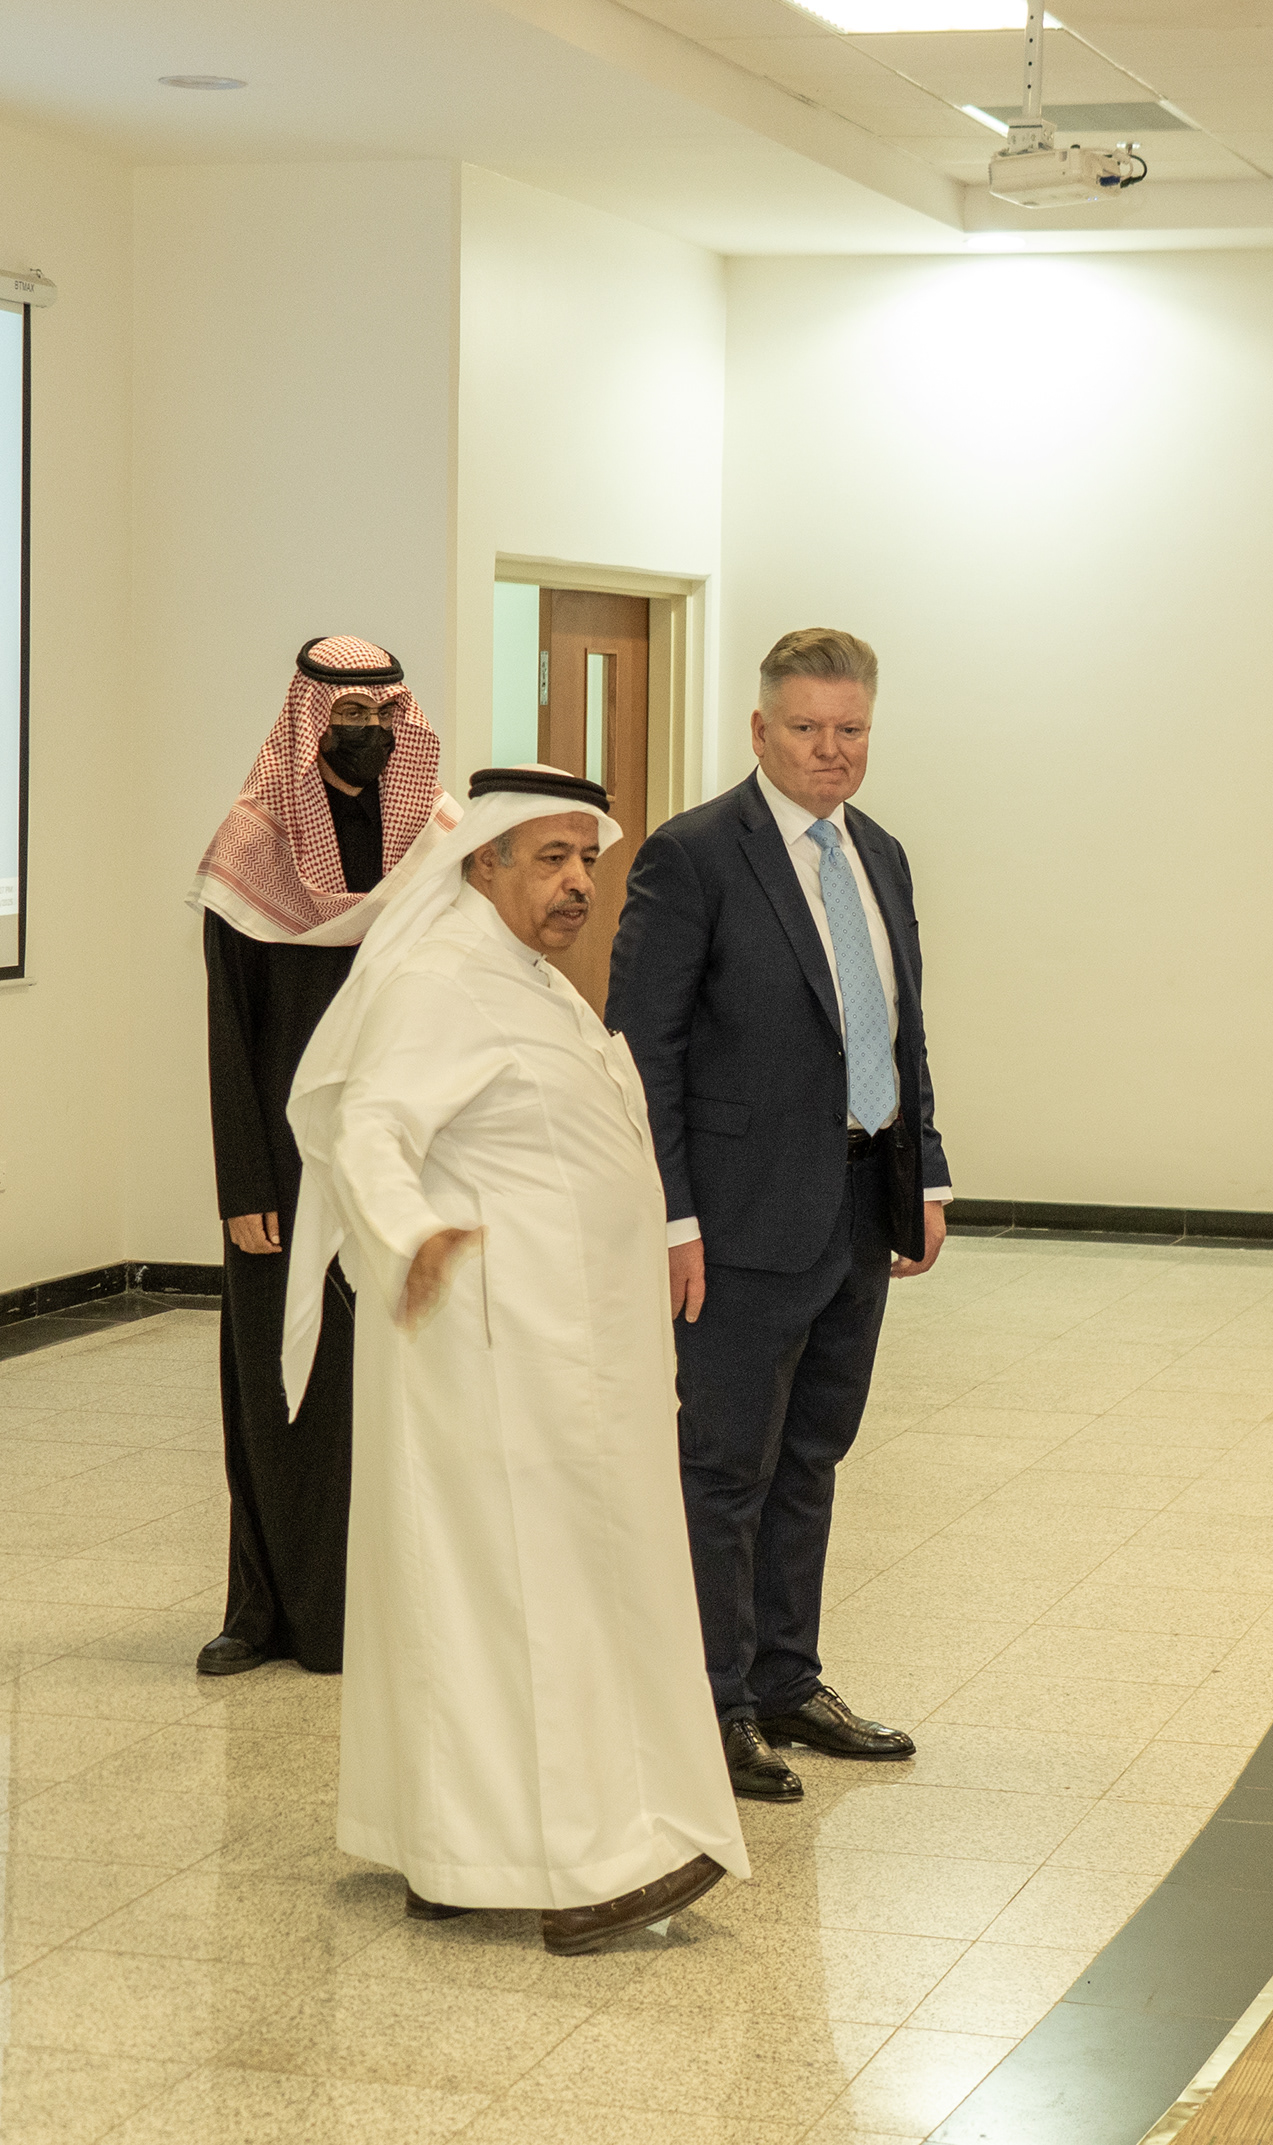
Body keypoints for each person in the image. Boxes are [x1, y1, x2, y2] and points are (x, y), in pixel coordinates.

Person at [282, 766, 748, 1955]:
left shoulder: (527, 981)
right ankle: (584, 1867)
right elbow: (368, 1127)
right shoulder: (442, 984)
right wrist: (410, 1234)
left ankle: (456, 1851)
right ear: (481, 862)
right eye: (550, 858)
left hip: (563, 1351)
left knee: (502, 1595)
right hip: (503, 1350)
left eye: (587, 859)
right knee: (535, 1600)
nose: (578, 882)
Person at [606, 626, 949, 1805]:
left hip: (857, 1206)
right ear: (760, 730)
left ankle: (787, 1677)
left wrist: (925, 1173)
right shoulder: (695, 855)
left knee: (813, 1454)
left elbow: (898, 1028)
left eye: (850, 729)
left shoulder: (880, 854)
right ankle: (712, 1705)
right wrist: (670, 1217)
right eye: (806, 727)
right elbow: (641, 1050)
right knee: (725, 1467)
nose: (829, 749)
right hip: (738, 1222)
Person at [187, 636, 450, 1678]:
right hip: (287, 1167)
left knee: (393, 1380)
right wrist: (244, 1183)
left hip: (403, 1155)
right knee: (277, 1386)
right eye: (350, 716)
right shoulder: (252, 848)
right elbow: (229, 1031)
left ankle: (378, 1606)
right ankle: (263, 1610)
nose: (372, 733)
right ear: (310, 721)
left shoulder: (431, 847)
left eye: (386, 716)